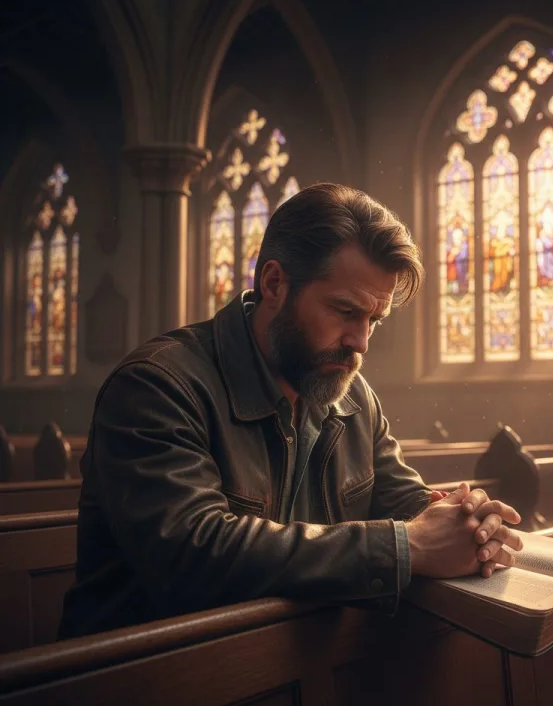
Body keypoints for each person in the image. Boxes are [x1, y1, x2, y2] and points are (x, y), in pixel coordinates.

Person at [58, 183, 523, 639]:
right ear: (274, 283)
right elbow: (192, 557)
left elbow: (406, 502)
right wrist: (408, 545)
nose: (360, 343)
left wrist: (467, 523)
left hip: (283, 666)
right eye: (345, 311)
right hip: (138, 685)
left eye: (373, 321)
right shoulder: (156, 385)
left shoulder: (354, 395)